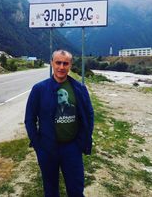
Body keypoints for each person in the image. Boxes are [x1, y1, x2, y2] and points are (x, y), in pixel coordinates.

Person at [25, 49, 94, 197]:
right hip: (47, 148)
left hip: (72, 148)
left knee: (76, 189)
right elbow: (30, 119)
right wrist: (38, 144)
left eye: (65, 63)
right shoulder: (39, 89)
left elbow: (88, 115)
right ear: (52, 63)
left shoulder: (79, 88)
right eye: (58, 63)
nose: (61, 67)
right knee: (50, 190)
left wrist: (82, 141)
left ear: (70, 65)